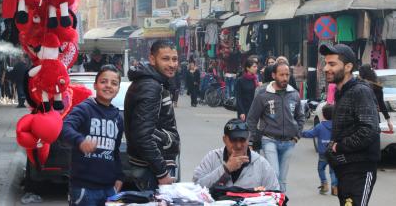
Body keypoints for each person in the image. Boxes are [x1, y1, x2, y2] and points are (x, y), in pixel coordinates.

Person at [320, 44, 380, 206]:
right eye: (326, 63)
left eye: (332, 64)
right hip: (345, 169)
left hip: (359, 169)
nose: (326, 68)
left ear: (348, 67)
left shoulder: (360, 91)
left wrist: (338, 147)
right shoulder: (342, 92)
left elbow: (369, 130)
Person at [61, 65, 124, 206]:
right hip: (84, 188)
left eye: (114, 83)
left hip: (109, 188)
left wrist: (120, 176)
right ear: (95, 85)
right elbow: (65, 127)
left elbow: (115, 151)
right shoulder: (84, 109)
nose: (108, 86)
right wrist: (80, 141)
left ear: (118, 89)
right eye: (103, 82)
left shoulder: (118, 118)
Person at [124, 40, 180, 191]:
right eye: (165, 59)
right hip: (150, 170)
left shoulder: (156, 83)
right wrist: (161, 172)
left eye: (174, 59)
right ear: (152, 59)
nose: (172, 64)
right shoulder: (150, 86)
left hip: (153, 167)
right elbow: (143, 135)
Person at [247, 62, 305, 192]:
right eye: (281, 75)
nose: (285, 78)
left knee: (282, 179)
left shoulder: (294, 94)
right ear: (274, 75)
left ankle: (280, 201)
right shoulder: (263, 94)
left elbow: (300, 117)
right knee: (274, 175)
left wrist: (297, 135)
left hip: (289, 142)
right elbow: (252, 119)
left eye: (287, 75)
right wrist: (250, 140)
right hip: (269, 140)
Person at [193, 118, 279, 190]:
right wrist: (226, 169)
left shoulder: (261, 164)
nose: (238, 145)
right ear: (224, 139)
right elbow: (196, 188)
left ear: (248, 139)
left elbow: (275, 194)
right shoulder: (212, 157)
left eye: (242, 140)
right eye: (233, 140)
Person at [301, 104, 338, 196]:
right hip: (334, 152)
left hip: (323, 153)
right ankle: (335, 188)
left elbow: (310, 134)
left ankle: (324, 184)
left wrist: (300, 133)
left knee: (321, 169)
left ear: (322, 114)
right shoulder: (337, 126)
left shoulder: (319, 127)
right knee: (333, 170)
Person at [359, 63, 393, 132]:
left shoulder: (358, 85)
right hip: (374, 118)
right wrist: (388, 120)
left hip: (360, 119)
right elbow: (382, 104)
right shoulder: (377, 86)